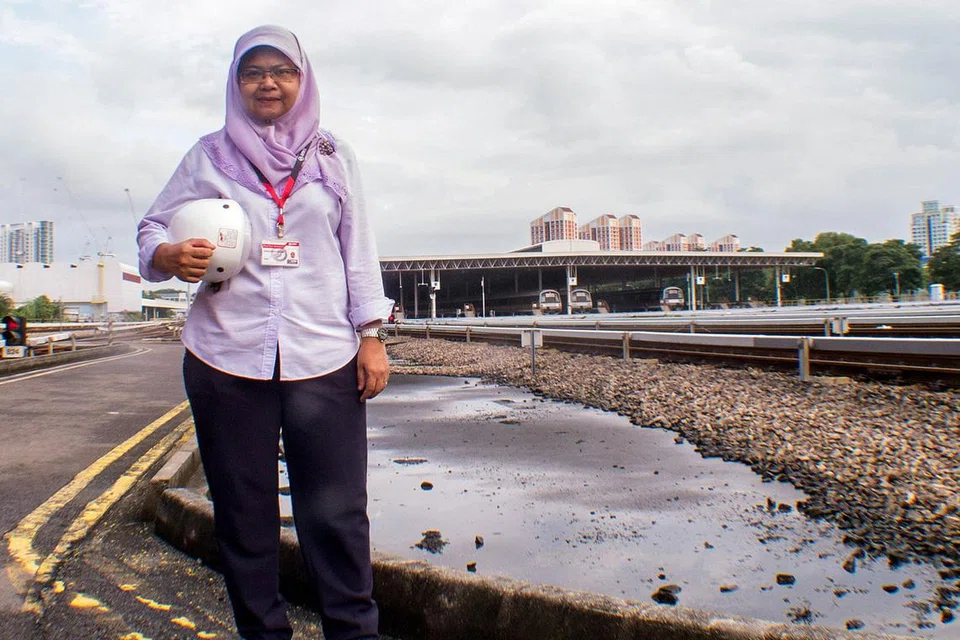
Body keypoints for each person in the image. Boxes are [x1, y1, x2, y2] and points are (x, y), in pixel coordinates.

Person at [137, 25, 391, 640]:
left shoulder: (333, 155)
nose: (268, 83)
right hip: (225, 356)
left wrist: (371, 335)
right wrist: (167, 255)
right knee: (243, 513)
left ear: (304, 80)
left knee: (337, 513)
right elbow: (152, 227)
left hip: (323, 355)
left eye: (282, 71)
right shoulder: (208, 154)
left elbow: (357, 247)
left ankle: (353, 632)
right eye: (253, 72)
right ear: (236, 82)